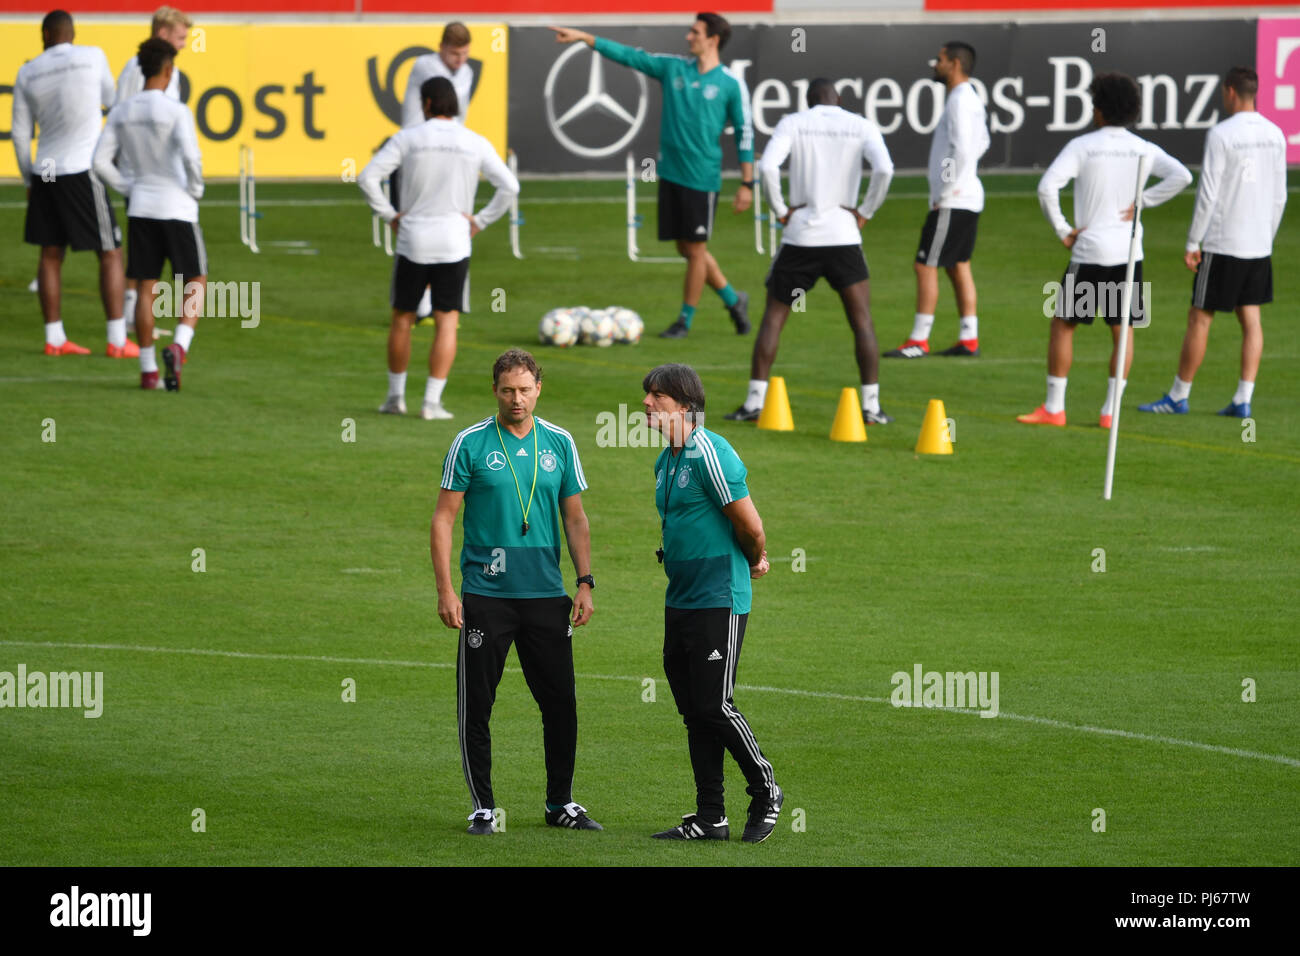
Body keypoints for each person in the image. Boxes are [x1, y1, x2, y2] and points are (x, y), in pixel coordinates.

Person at [431, 349, 600, 836]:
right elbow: (444, 519)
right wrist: (447, 590)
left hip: (547, 595)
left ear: (538, 389)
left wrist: (585, 582)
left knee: (560, 703)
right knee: (478, 702)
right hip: (486, 595)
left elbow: (575, 517)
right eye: (508, 390)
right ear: (494, 391)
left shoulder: (561, 442)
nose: (517, 399)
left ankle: (560, 804)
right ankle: (483, 807)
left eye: (525, 389)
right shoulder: (469, 443)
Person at [642, 363, 783, 843]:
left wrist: (756, 558)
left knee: (714, 703)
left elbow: (750, 524)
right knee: (695, 711)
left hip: (718, 597)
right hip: (680, 598)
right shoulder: (667, 460)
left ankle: (766, 789)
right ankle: (710, 816)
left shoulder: (710, 452)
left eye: (656, 397)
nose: (645, 404)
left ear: (683, 405)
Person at [551, 15, 754, 339]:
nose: (689, 37)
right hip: (671, 174)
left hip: (703, 178)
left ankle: (684, 321)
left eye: (696, 32)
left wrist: (747, 183)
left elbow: (745, 133)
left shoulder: (731, 84)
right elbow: (631, 56)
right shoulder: (674, 68)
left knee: (697, 251)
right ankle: (733, 299)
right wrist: (584, 38)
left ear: (713, 39)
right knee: (686, 249)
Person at [1019, 73, 1191, 428]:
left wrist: (1064, 230)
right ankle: (1110, 412)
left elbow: (1046, 187)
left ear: (1099, 110)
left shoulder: (1083, 146)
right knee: (1122, 329)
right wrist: (1144, 201)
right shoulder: (1143, 148)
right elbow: (1182, 176)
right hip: (1128, 254)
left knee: (1064, 325)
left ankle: (1054, 408)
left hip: (1090, 252)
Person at [724, 78, 896, 425]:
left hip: (800, 236)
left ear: (808, 100)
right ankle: (871, 407)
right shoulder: (860, 125)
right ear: (840, 99)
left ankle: (755, 401)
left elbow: (768, 166)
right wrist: (865, 211)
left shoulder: (794, 122)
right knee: (861, 320)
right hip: (845, 236)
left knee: (774, 318)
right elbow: (885, 169)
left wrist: (781, 210)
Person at [360, 77, 518, 421]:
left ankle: (394, 397)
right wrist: (480, 221)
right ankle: (431, 404)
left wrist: (388, 214)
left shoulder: (408, 138)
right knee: (447, 322)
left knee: (402, 318)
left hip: (413, 237)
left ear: (427, 103)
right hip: (454, 240)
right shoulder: (473, 141)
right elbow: (509, 185)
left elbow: (367, 177)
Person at [1139, 67, 1287, 420]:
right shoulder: (1276, 134)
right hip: (1258, 243)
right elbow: (1279, 195)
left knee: (1200, 317)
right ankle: (1243, 397)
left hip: (1224, 241)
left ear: (1231, 91)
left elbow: (1208, 193)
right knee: (1251, 318)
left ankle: (1179, 395)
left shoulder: (1222, 134)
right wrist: (1267, 235)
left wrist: (1194, 241)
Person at [12, 9, 133, 359]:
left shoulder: (27, 71)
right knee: (109, 251)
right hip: (80, 166)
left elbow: (21, 136)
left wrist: (30, 178)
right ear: (72, 33)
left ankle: (54, 337)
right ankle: (116, 339)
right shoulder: (92, 56)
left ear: (46, 34)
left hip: (47, 166)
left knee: (50, 253)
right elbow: (113, 102)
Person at [93, 37, 206, 392]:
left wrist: (128, 187)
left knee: (146, 287)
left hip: (141, 206)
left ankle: (147, 370)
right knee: (195, 280)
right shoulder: (177, 111)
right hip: (177, 207)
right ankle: (179, 346)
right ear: (169, 70)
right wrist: (195, 189)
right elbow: (191, 158)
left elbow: (98, 162)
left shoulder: (123, 111)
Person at [885, 41, 989, 359]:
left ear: (955, 64)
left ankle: (919, 339)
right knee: (958, 265)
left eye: (940, 60)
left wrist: (945, 189)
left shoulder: (959, 101)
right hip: (968, 194)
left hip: (954, 199)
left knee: (925, 264)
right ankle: (968, 337)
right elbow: (982, 142)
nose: (935, 64)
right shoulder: (971, 99)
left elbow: (960, 149)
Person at [114, 5, 192, 332]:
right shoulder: (142, 71)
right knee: (146, 251)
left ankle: (134, 315)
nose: (185, 44)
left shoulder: (144, 68)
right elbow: (129, 115)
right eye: (180, 37)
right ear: (162, 34)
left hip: (142, 170)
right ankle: (132, 315)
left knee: (143, 248)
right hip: (143, 170)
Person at [400, 21, 474, 321]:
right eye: (455, 53)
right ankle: (420, 301)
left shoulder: (466, 71)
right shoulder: (425, 66)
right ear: (442, 47)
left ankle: (451, 298)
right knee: (419, 223)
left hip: (451, 152)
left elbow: (460, 115)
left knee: (454, 221)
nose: (461, 60)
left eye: (465, 53)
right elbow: (444, 97)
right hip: (418, 152)